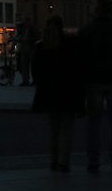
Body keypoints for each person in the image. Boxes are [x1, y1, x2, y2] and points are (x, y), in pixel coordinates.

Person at [31, 15, 84, 173]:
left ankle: (53, 161)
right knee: (67, 128)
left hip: (49, 94)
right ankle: (64, 162)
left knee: (53, 128)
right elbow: (78, 68)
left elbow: (35, 71)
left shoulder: (41, 47)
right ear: (62, 27)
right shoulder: (71, 43)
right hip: (69, 92)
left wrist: (42, 86)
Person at [79, 0, 112, 173]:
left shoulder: (87, 30)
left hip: (93, 81)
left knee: (94, 123)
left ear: (97, 9)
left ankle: (93, 161)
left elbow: (80, 58)